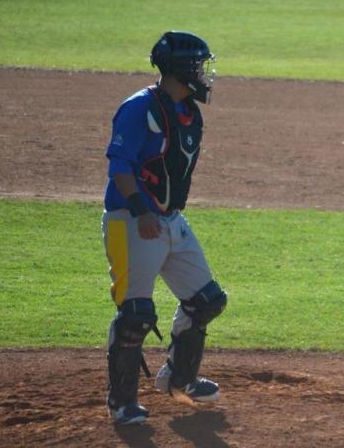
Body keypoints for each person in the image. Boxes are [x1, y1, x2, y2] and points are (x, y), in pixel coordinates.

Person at [102, 31, 228, 425]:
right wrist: (141, 212)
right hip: (133, 221)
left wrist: (159, 215)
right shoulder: (139, 109)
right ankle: (122, 403)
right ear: (177, 68)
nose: (203, 72)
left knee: (206, 300)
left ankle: (179, 379)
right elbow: (119, 167)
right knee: (136, 315)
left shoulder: (188, 112)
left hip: (170, 220)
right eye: (196, 65)